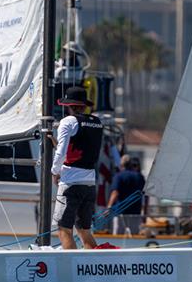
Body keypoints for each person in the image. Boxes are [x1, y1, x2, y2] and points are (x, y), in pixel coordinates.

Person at [51, 86, 104, 249]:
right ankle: (93, 270)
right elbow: (80, 149)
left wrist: (54, 172)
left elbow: (61, 153)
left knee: (64, 230)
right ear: (84, 105)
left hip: (70, 184)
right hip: (89, 183)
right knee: (84, 231)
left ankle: (71, 269)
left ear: (69, 106)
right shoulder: (97, 123)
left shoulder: (68, 121)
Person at [108, 156, 146, 235]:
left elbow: (115, 192)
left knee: (118, 236)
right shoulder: (140, 177)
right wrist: (145, 211)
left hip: (120, 212)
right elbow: (145, 195)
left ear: (121, 165)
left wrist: (109, 207)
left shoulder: (118, 176)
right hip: (135, 212)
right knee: (134, 236)